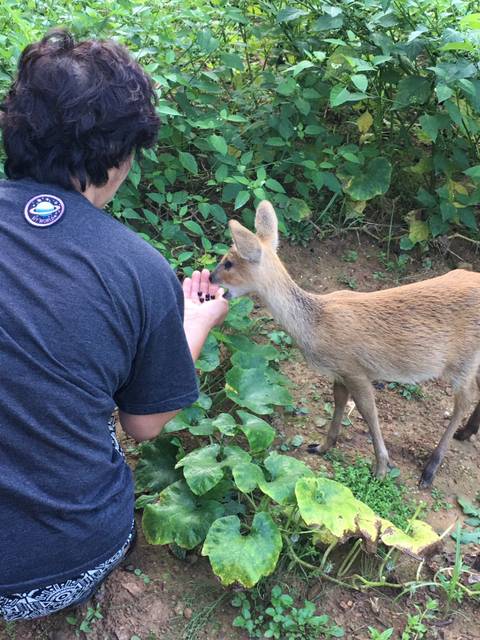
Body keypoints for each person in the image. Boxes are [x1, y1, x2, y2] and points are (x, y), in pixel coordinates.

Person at [0, 30, 228, 621]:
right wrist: (192, 322)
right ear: (120, 156)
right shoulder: (139, 269)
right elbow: (144, 425)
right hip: (55, 571)